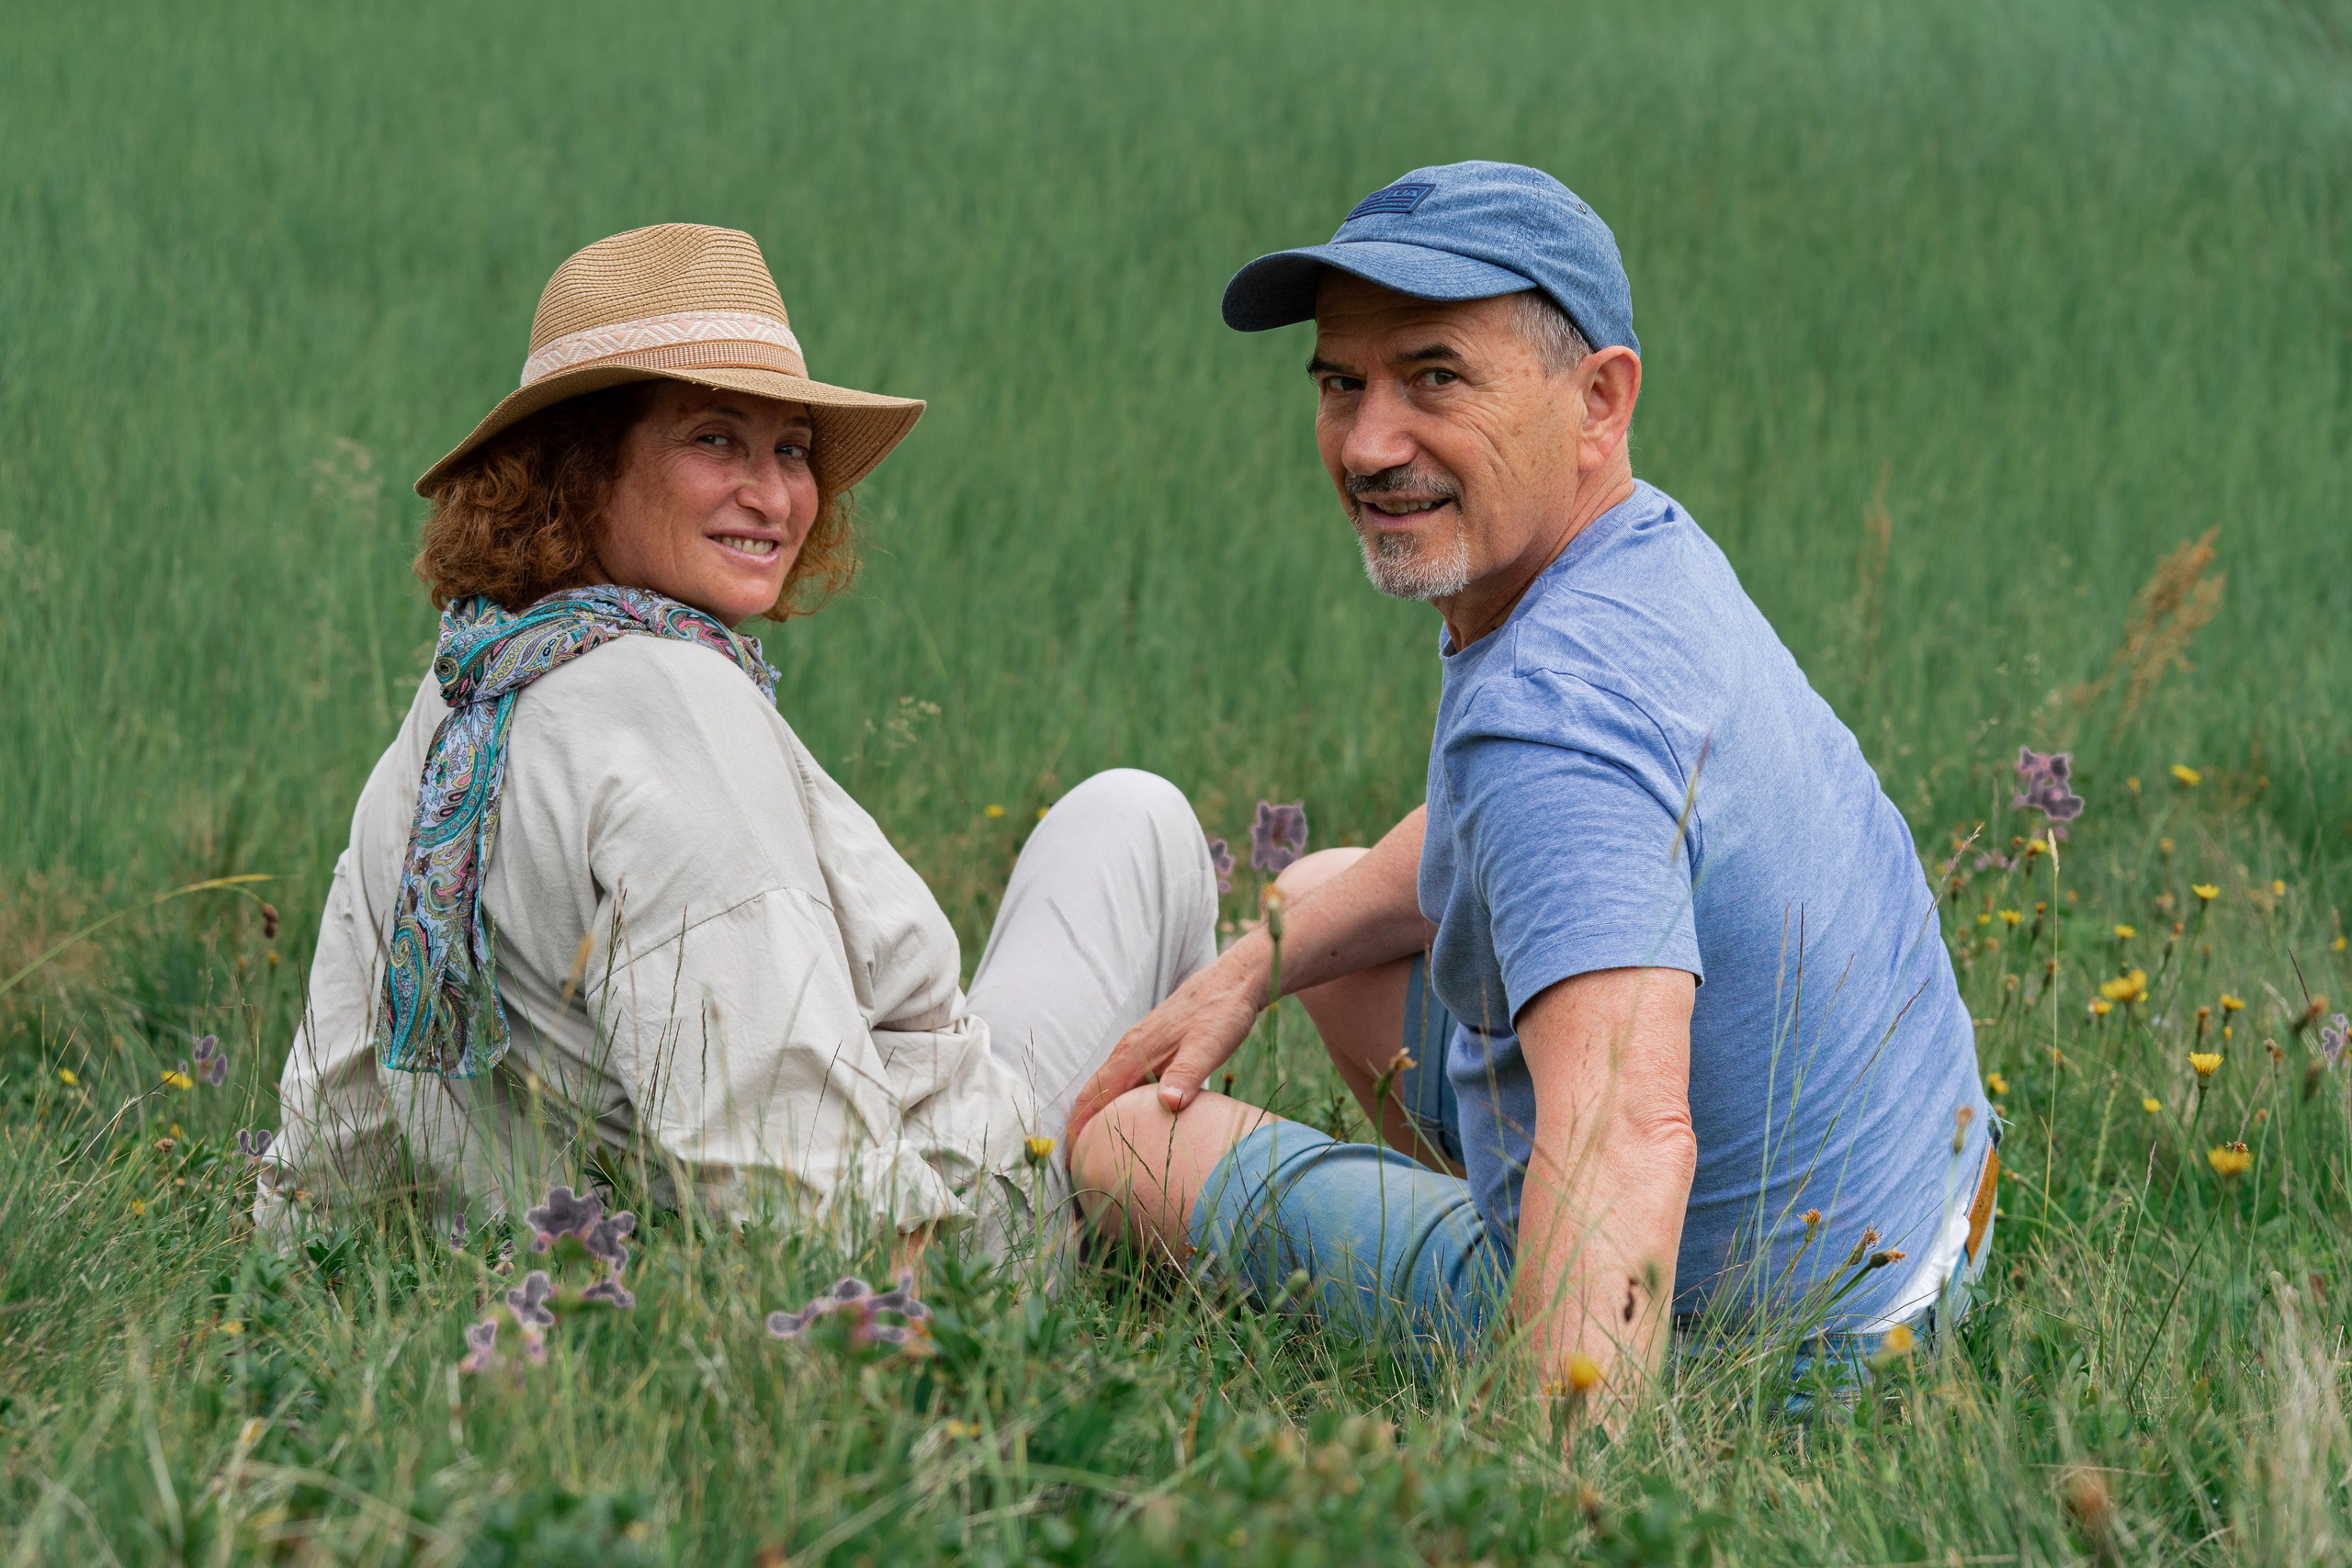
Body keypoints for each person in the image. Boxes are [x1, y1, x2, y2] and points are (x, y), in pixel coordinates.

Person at [1070, 163, 1996, 1402]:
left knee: (1123, 1141)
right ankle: (1513, 1227)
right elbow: (1484, 831)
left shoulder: (1553, 721)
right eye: (1343, 383)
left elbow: (1629, 1133)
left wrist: (1571, 1481)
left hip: (1770, 1359)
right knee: (1323, 897)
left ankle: (1526, 1291)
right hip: (1931, 1236)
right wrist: (1250, 966)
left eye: (1435, 376)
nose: (1369, 442)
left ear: (1598, 400)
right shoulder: (1639, 553)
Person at [259, 224, 1218, 1257]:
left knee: (1118, 822)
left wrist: (295, 1269)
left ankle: (1156, 1196)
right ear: (581, 466)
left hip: (553, 1271)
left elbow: (344, 1080)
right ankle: (1161, 1225)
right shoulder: (672, 704)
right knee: (1139, 822)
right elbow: (786, 1159)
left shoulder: (464, 695)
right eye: (715, 438)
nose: (773, 494)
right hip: (938, 1258)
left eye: (791, 449)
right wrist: (907, 1332)